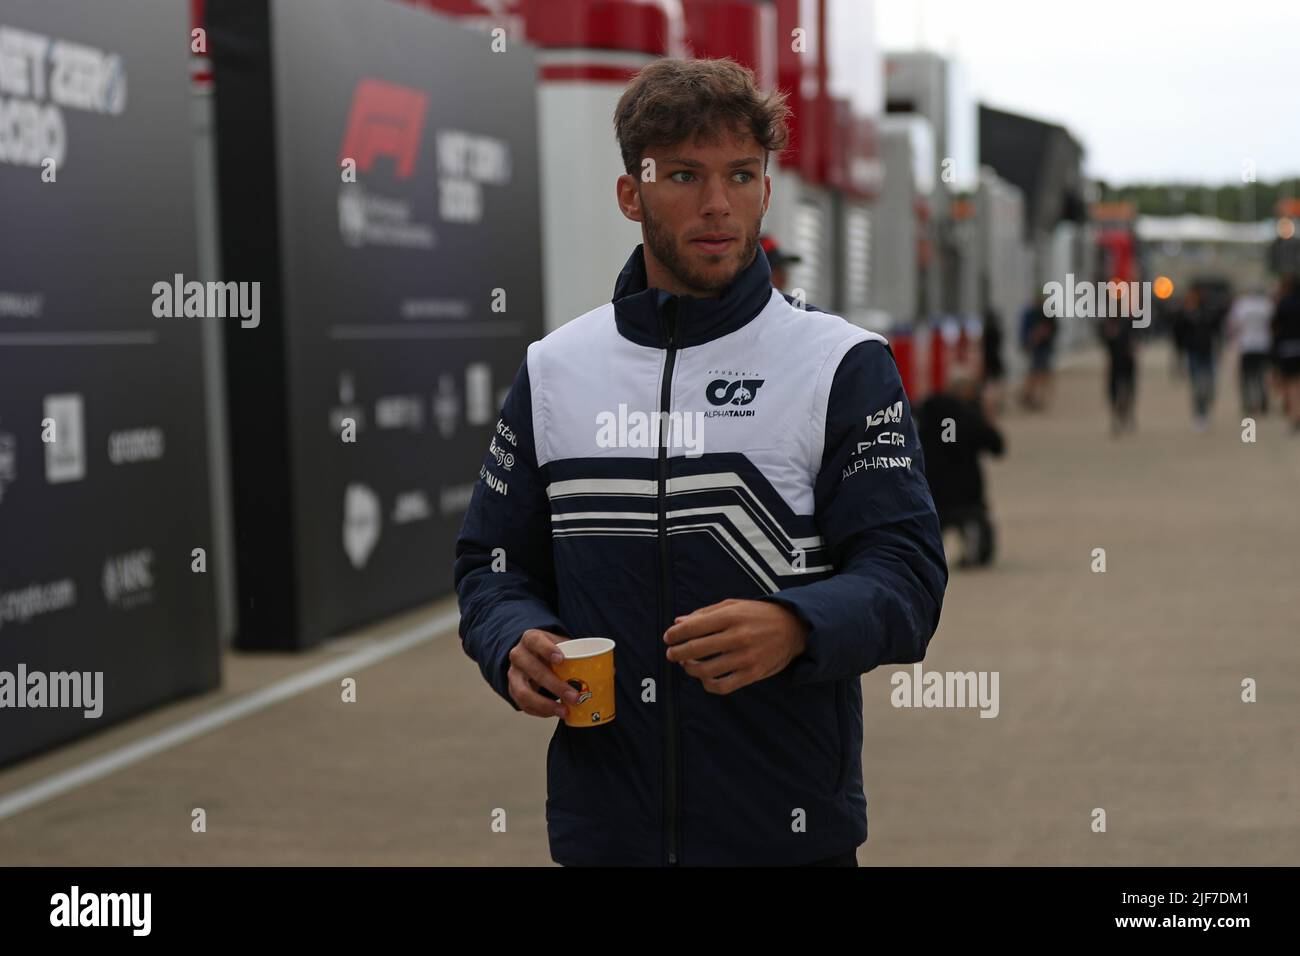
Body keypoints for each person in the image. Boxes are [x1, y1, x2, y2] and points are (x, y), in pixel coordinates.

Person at [453, 57, 948, 867]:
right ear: (631, 193)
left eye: (740, 175)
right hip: (605, 835)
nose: (718, 205)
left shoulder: (842, 363)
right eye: (682, 175)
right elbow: (491, 565)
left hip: (786, 836)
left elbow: (908, 577)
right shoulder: (555, 368)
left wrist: (798, 625)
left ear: (766, 187)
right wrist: (514, 639)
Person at [916, 369, 1005, 567]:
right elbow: (997, 446)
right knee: (975, 526)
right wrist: (989, 415)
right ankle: (972, 551)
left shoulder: (926, 411)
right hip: (967, 493)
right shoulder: (970, 416)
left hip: (932, 489)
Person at [1227, 285, 1274, 417]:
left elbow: (1233, 326)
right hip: (1263, 344)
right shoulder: (1266, 304)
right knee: (1261, 376)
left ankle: (1248, 404)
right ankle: (1263, 403)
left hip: (1246, 345)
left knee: (1246, 378)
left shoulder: (1241, 305)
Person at [1182, 288, 1223, 430]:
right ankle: (1200, 413)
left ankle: (1205, 409)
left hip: (1207, 353)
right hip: (1194, 354)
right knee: (1198, 387)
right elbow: (1180, 333)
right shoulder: (1186, 315)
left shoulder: (1208, 314)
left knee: (1209, 386)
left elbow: (1216, 332)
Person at [1098, 312, 1137, 434]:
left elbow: (1134, 341)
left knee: (1127, 391)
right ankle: (1116, 417)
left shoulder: (1128, 324)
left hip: (1127, 363)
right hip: (1114, 363)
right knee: (1114, 392)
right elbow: (1105, 343)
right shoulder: (1107, 326)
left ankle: (1126, 414)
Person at [1271, 274, 1300, 432]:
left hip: (1287, 349)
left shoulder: (1283, 304)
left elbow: (1275, 328)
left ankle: (1294, 416)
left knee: (1290, 385)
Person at [1018, 293, 1056, 410]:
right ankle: (1030, 396)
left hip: (1044, 347)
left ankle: (1036, 397)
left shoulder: (1047, 313)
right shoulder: (1030, 314)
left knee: (1042, 373)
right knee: (1035, 372)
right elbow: (1024, 330)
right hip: (1036, 348)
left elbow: (1054, 328)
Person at [980, 304, 1006, 420]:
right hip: (996, 358)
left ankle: (989, 404)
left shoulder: (985, 331)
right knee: (996, 383)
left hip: (986, 359)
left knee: (987, 385)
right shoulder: (997, 330)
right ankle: (996, 403)